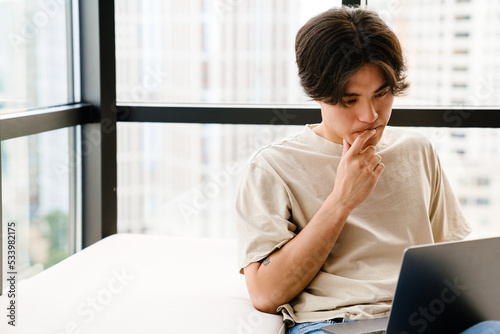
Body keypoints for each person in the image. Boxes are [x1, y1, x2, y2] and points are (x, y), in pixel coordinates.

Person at [235, 6, 500, 334]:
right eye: (350, 101)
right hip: (336, 323)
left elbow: (453, 264)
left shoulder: (417, 149)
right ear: (317, 94)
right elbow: (265, 294)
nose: (371, 115)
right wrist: (341, 201)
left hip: (430, 320)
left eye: (382, 94)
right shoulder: (273, 168)